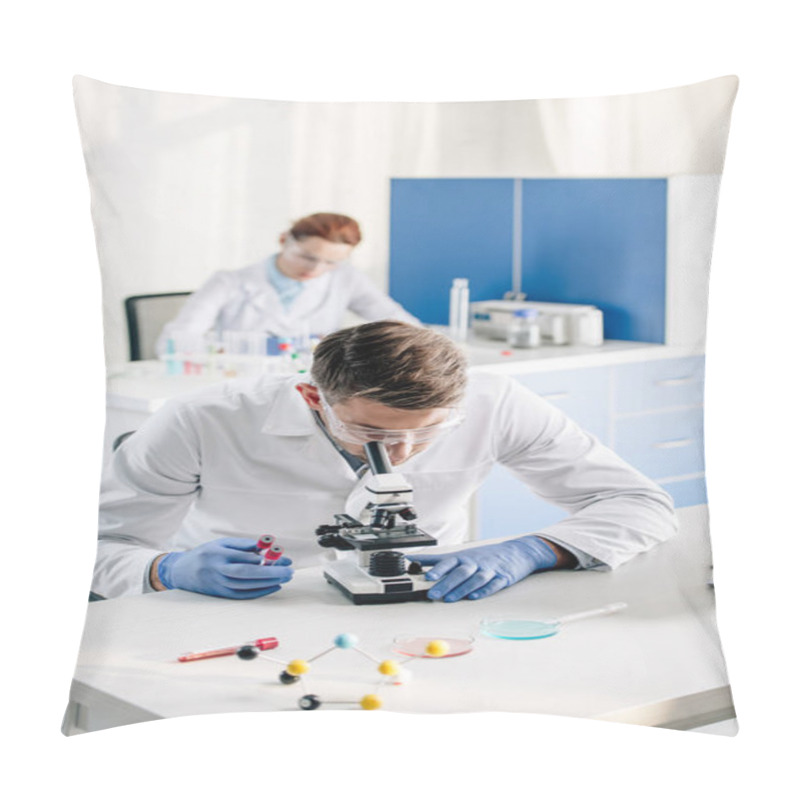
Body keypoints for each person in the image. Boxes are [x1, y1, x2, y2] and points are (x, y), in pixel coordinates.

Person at [96, 321, 677, 601]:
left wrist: (534, 548)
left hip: (428, 605)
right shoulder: (201, 419)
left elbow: (639, 503)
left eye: (427, 435)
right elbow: (97, 547)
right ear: (310, 397)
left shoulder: (495, 402)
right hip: (241, 607)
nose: (397, 455)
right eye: (367, 431)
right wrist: (163, 570)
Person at [155, 212, 419, 355]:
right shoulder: (230, 282)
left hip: (312, 388)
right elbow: (174, 341)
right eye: (306, 257)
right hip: (240, 385)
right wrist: (241, 350)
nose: (315, 269)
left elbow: (401, 323)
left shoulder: (346, 278)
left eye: (330, 262)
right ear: (284, 240)